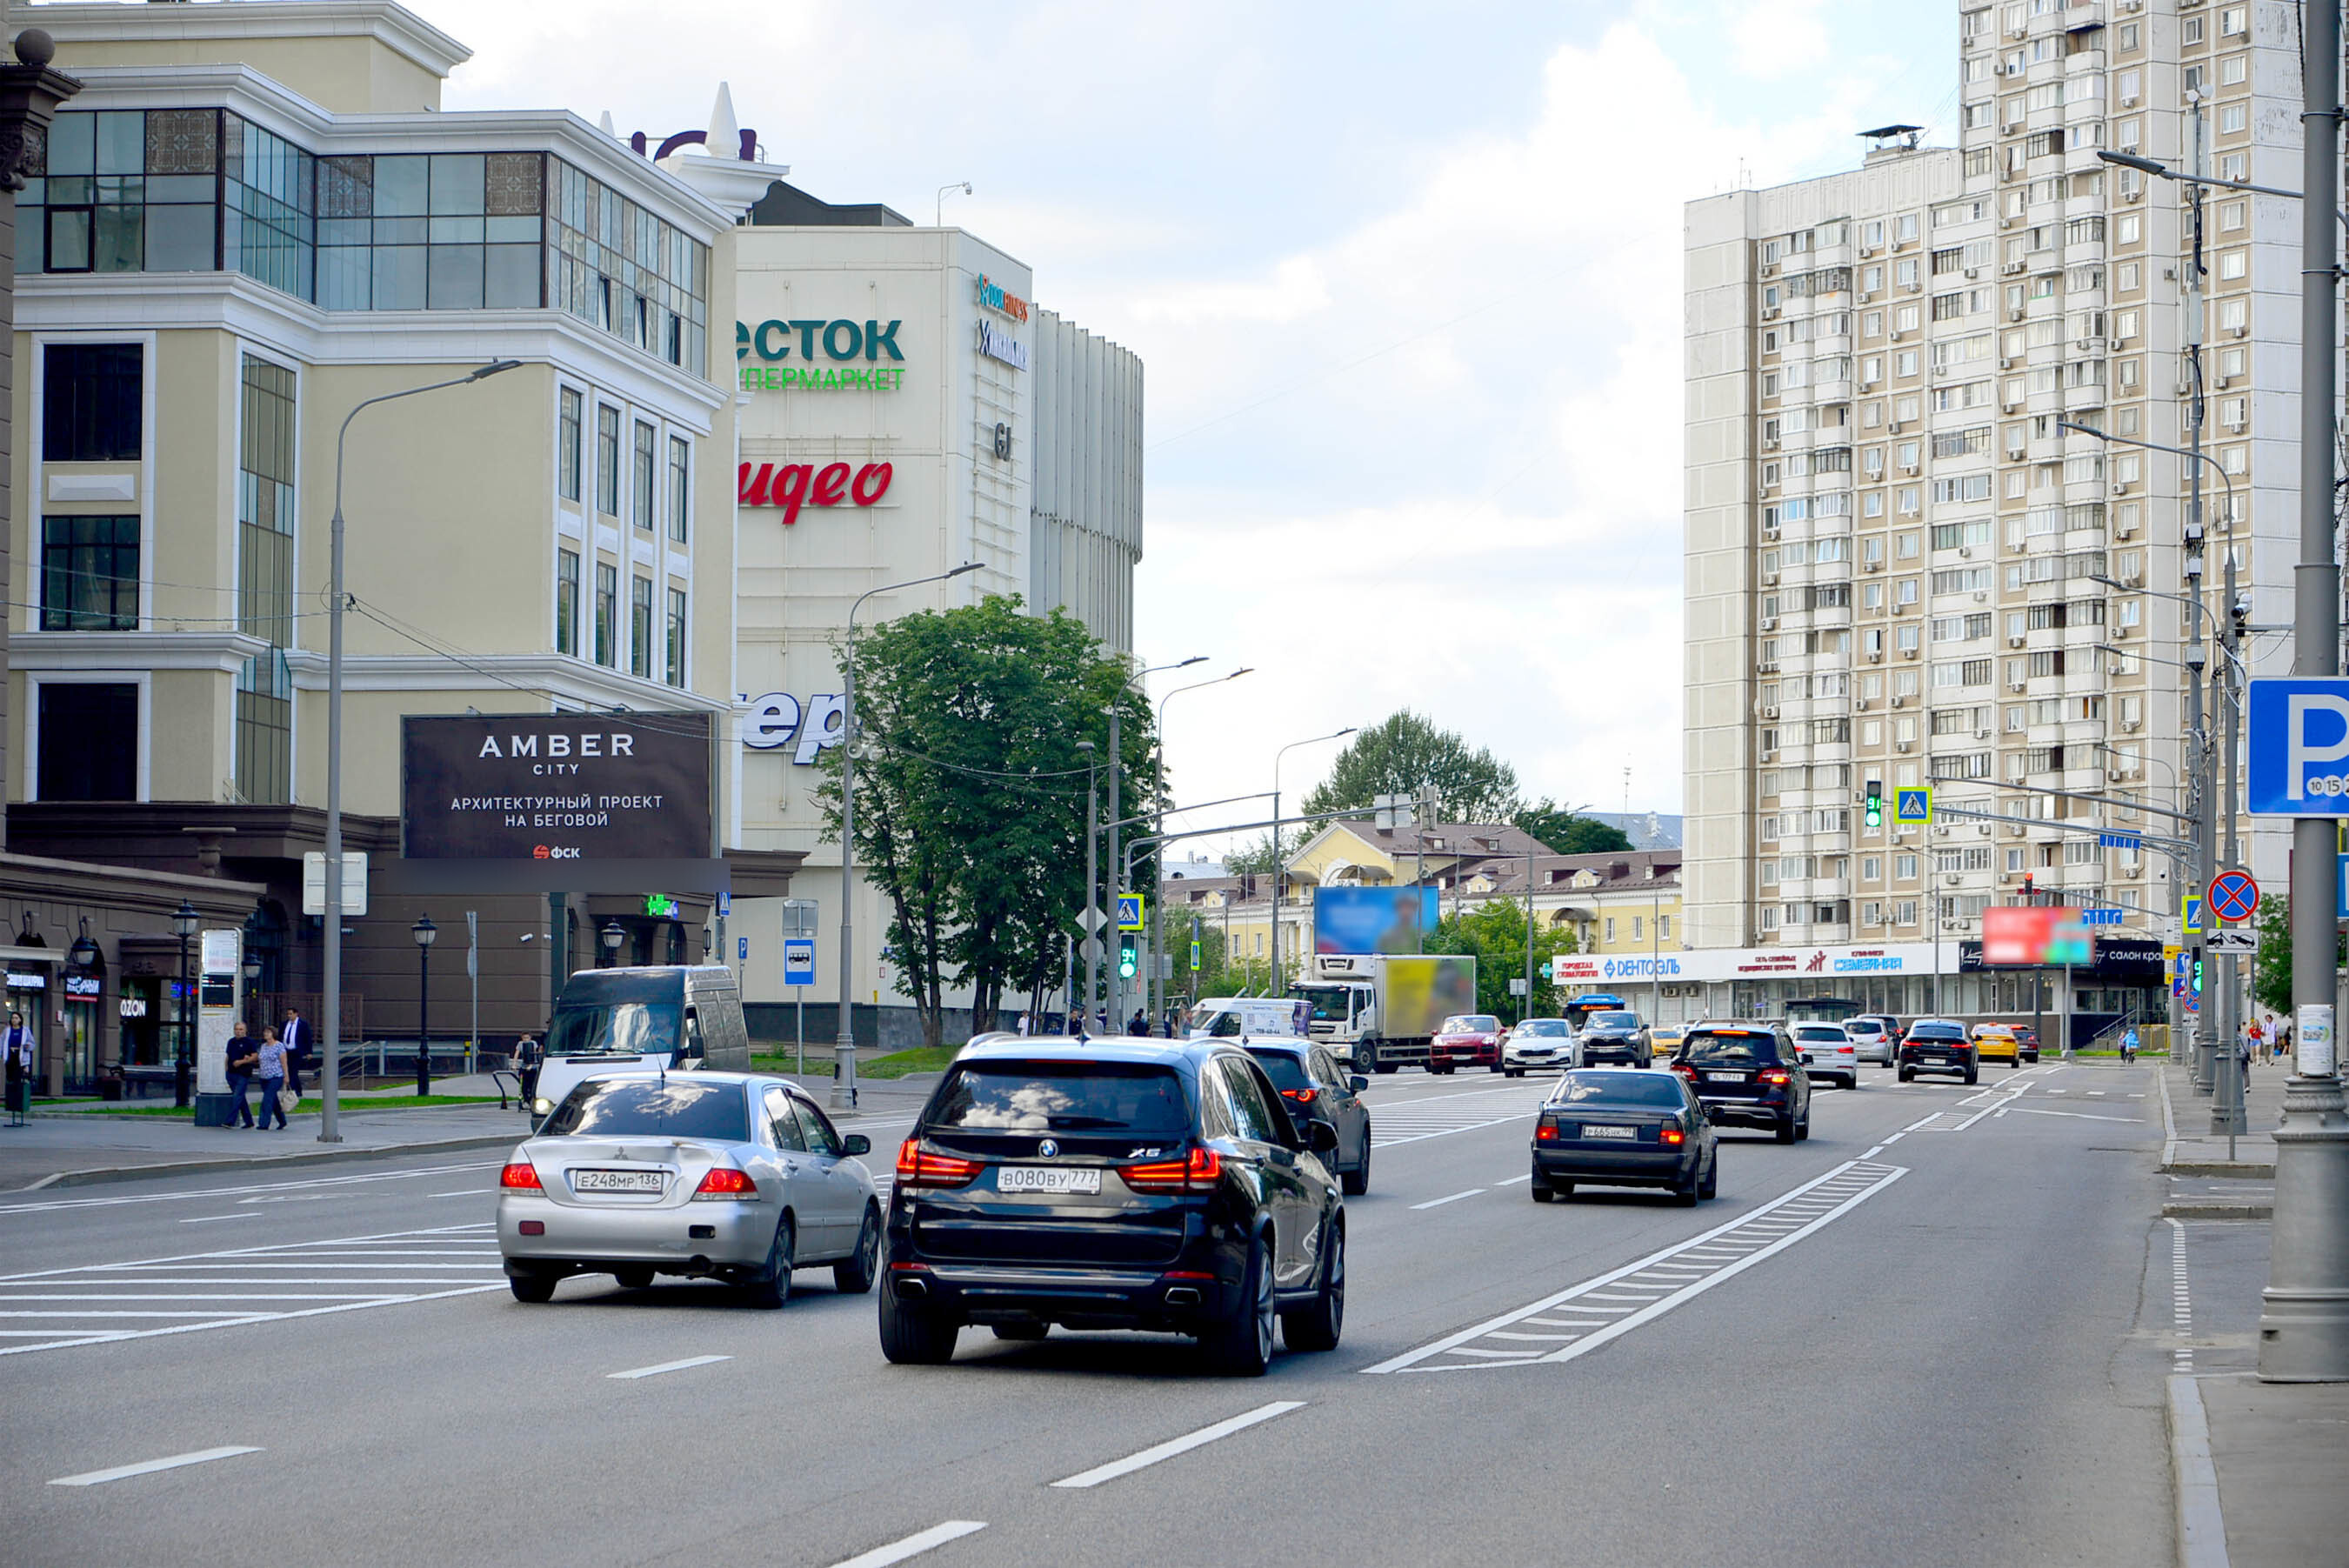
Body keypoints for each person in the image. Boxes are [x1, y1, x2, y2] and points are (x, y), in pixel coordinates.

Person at [253, 1025, 290, 1130]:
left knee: (267, 1099)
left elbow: (284, 1062)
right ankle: (282, 1121)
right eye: (265, 1032)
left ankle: (264, 1123)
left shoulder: (279, 1046)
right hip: (264, 1077)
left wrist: (286, 1076)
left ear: (273, 1034)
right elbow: (261, 1060)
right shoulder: (263, 1046)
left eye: (268, 1032)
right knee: (273, 1101)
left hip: (276, 1076)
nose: (266, 1034)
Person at [224, 1021, 259, 1129]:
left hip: (243, 1073)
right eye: (237, 1029)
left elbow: (255, 1056)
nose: (238, 1032)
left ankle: (230, 1121)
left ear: (245, 1030)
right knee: (240, 1097)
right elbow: (228, 1056)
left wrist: (241, 1062)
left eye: (241, 1029)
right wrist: (226, 1069)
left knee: (237, 1096)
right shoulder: (231, 1042)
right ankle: (249, 1121)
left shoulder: (249, 1042)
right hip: (231, 1073)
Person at [2, 1011, 32, 1127]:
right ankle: (12, 1106)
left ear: (20, 1020)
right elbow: (2, 1042)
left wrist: (28, 1046)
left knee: (18, 1082)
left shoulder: (25, 1030)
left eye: (16, 1018)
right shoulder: (7, 1030)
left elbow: (32, 1043)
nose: (14, 1020)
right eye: (13, 1018)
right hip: (10, 1057)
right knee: (10, 1081)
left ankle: (19, 1107)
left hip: (20, 1058)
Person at [279, 1007, 310, 1096]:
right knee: (287, 1070)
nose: (289, 1016)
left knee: (293, 1071)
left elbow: (307, 1038)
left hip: (296, 1051)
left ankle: (294, 1089)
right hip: (286, 1051)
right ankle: (296, 1089)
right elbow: (281, 1036)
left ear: (296, 1014)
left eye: (291, 1014)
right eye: (288, 1014)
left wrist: (308, 1052)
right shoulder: (284, 1024)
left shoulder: (302, 1024)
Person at [513, 1033, 543, 1111]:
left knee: (532, 1085)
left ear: (530, 1038)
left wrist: (531, 1065)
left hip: (532, 1067)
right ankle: (527, 1100)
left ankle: (531, 1101)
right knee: (523, 1086)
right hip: (524, 1066)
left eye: (527, 1038)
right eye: (524, 1038)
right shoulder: (520, 1044)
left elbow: (533, 1054)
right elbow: (517, 1053)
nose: (526, 1039)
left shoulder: (533, 1043)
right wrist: (514, 1064)